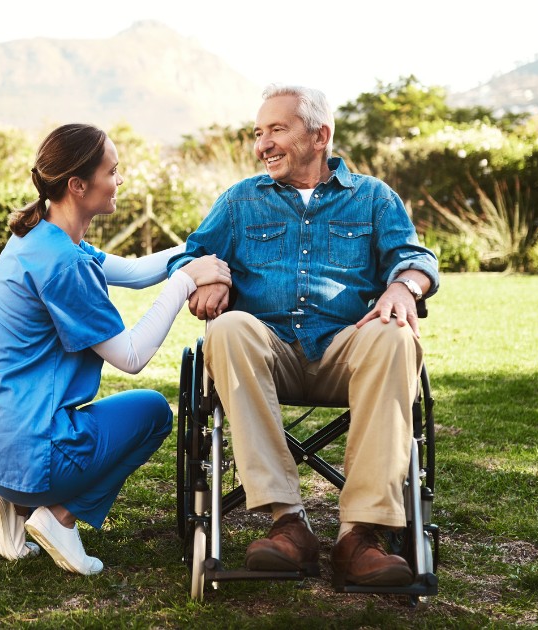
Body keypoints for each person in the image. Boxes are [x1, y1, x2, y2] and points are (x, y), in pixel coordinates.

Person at [167, 84, 440, 587]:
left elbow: (416, 257)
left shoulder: (373, 198)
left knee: (395, 335)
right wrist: (205, 275)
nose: (262, 145)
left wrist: (404, 287)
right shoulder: (240, 201)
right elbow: (188, 256)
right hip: (266, 351)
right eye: (257, 133)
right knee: (227, 328)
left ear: (321, 136)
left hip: (346, 350)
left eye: (276, 130)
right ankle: (288, 524)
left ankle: (361, 536)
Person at [0, 123, 232, 576]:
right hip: (31, 455)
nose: (119, 181)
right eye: (112, 170)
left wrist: (198, 250)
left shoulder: (40, 236)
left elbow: (136, 270)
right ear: (78, 185)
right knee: (152, 413)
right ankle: (58, 516)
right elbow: (130, 357)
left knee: (80, 417)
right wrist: (187, 280)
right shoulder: (64, 264)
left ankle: (9, 503)